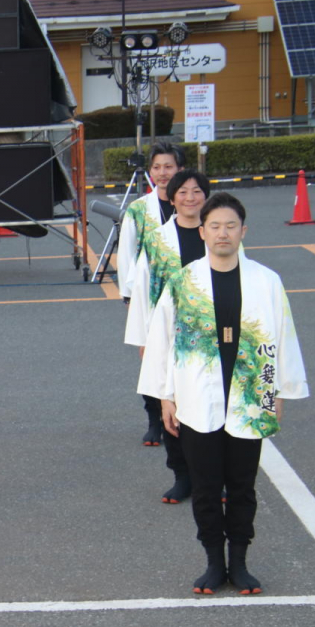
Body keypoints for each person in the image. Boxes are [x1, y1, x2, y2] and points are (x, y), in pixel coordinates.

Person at [139, 193, 308, 595]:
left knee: (243, 485)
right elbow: (162, 340)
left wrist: (279, 391)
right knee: (205, 486)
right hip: (197, 399)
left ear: (243, 232)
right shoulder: (184, 282)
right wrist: (166, 396)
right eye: (214, 226)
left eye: (231, 226)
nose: (222, 233)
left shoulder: (266, 281)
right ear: (202, 232)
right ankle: (214, 562)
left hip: (251, 396)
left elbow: (283, 338)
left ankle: (240, 563)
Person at [125, 170, 214, 505]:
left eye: (197, 192)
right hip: (171, 339)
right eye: (183, 192)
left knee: (212, 410)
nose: (190, 198)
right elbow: (144, 291)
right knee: (173, 410)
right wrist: (145, 340)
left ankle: (213, 478)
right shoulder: (159, 241)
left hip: (213, 339)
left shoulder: (216, 234)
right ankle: (182, 476)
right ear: (172, 197)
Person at [121, 142, 183, 447]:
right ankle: (154, 418)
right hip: (150, 296)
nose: (162, 173)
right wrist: (129, 295)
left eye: (168, 166)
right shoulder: (138, 209)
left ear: (180, 170)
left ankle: (185, 416)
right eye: (156, 167)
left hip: (188, 296)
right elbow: (127, 254)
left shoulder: (190, 204)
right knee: (151, 359)